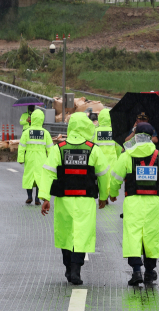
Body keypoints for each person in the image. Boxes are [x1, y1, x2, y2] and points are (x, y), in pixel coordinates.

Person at [39, 112, 110, 285]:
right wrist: (104, 196)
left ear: (70, 128)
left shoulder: (59, 148)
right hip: (86, 200)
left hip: (64, 200)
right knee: (81, 235)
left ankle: (68, 268)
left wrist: (45, 197)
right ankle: (76, 270)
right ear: (87, 127)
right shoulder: (94, 150)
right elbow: (104, 175)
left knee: (66, 235)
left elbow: (47, 173)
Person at [109, 123, 159, 286]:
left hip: (133, 202)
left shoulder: (126, 156)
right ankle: (149, 271)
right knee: (152, 236)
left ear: (135, 135)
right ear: (150, 137)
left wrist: (112, 194)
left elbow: (115, 178)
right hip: (154, 203)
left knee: (133, 235)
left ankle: (136, 272)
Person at [18, 109, 53, 205]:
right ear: (42, 119)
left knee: (28, 176)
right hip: (41, 158)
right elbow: (50, 148)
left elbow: (21, 146)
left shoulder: (26, 132)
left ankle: (29, 197)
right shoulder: (45, 133)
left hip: (29, 157)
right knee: (40, 178)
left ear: (32, 119)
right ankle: (37, 199)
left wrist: (21, 158)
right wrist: (51, 160)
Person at [94, 109, 123, 201]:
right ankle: (111, 193)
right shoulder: (115, 132)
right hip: (112, 159)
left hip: (99, 159)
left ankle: (103, 196)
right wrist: (118, 157)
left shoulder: (95, 131)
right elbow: (118, 147)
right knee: (111, 178)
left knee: (101, 177)